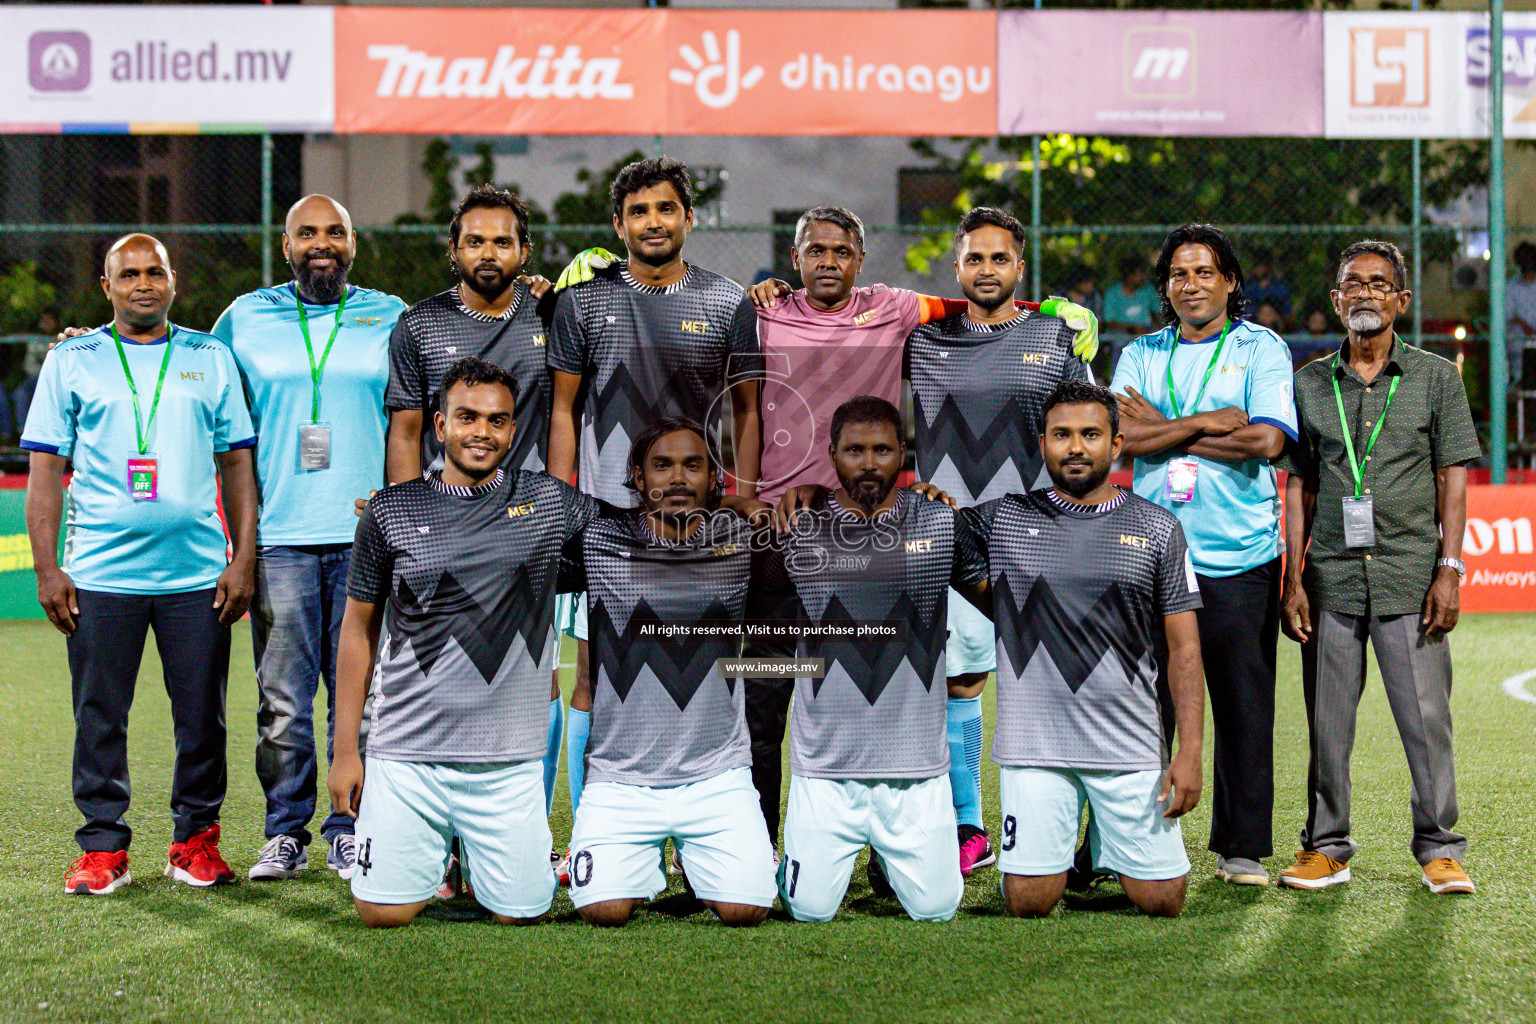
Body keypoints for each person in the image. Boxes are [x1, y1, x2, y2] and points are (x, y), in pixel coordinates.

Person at [746, 205, 1098, 870]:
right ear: (794, 259)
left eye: (840, 251)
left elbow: (978, 303)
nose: (827, 261)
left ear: (860, 259)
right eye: (813, 250)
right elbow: (738, 404)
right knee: (767, 688)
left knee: (890, 687)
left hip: (885, 534)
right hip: (785, 525)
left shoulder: (898, 311)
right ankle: (761, 844)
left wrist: (1051, 310)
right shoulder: (761, 312)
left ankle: (919, 843)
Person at [328, 358, 611, 927]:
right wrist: (345, 752)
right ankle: (440, 857)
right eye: (467, 417)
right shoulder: (390, 510)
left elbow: (636, 538)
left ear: (514, 430)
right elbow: (357, 630)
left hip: (508, 763)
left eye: (497, 421)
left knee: (522, 915)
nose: (482, 432)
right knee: (382, 915)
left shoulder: (552, 506)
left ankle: (478, 863)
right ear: (439, 425)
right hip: (407, 756)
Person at [24, 234, 258, 895]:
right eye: (128, 274)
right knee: (99, 714)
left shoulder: (209, 357)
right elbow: (44, 472)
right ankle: (103, 848)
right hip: (100, 575)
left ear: (173, 281)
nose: (143, 283)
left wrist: (244, 558)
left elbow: (237, 463)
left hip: (196, 576)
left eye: (154, 271)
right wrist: (48, 568)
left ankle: (194, 843)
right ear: (107, 287)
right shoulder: (73, 359)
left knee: (202, 718)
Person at [546, 157, 763, 839]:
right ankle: (593, 832)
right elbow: (562, 409)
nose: (652, 223)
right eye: (638, 212)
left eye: (665, 209)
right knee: (592, 679)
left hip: (699, 525)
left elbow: (748, 411)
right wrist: (560, 503)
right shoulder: (584, 303)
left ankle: (706, 827)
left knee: (707, 670)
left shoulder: (728, 302)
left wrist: (747, 496)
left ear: (689, 219)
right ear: (618, 224)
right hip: (609, 519)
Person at [211, 194, 407, 881]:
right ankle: (284, 832)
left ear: (354, 243)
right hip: (281, 537)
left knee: (364, 695)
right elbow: (193, 387)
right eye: (307, 234)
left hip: (367, 538)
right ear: (286, 244)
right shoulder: (243, 318)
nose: (321, 244)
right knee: (285, 699)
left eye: (335, 233)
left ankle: (350, 827)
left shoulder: (390, 315)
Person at [1278, 240, 1481, 895]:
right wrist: (1293, 579)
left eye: (1378, 284)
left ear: (1401, 300)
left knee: (1426, 723)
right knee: (1327, 725)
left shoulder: (1436, 378)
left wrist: (1449, 569)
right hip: (1331, 580)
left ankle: (1439, 848)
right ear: (1336, 301)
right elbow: (1297, 488)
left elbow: (1453, 476)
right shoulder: (1308, 384)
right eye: (1352, 285)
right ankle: (1326, 847)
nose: (1365, 294)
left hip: (1410, 580)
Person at [965, 380, 1204, 918]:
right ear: (1043, 444)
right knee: (1030, 902)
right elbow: (941, 543)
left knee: (1163, 901)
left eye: (1091, 435)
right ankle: (1069, 851)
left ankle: (1098, 846)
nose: (1076, 447)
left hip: (1128, 745)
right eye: (1062, 435)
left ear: (1116, 445)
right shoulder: (1003, 517)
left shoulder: (1158, 526)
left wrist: (1189, 751)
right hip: (1035, 748)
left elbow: (1184, 649)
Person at [1109, 223, 1296, 888]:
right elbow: (1119, 439)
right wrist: (1205, 421)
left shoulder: (1261, 348)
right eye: (1179, 274)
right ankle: (1133, 840)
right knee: (1142, 706)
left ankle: (1240, 848)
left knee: (1243, 704)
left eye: (1204, 272)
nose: (1191, 285)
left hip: (1239, 555)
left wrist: (1163, 430)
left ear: (1230, 282)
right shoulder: (1139, 353)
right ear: (1166, 287)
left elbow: (1268, 441)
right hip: (1151, 556)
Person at [905, 207, 1091, 875]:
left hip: (1035, 537)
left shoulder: (1057, 336)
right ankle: (969, 828)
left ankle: (1060, 836)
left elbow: (1086, 433)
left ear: (1020, 267)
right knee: (960, 683)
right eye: (975, 258)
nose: (988, 269)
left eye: (1000, 258)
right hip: (948, 544)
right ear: (957, 269)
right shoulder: (923, 341)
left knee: (1048, 684)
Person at [382, 184, 567, 830]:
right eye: (475, 240)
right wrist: (408, 527)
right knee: (437, 678)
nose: (489, 252)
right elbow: (405, 432)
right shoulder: (419, 326)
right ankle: (440, 845)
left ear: (524, 250)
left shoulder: (552, 317)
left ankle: (528, 829)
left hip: (524, 532)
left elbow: (568, 416)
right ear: (453, 249)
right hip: (442, 532)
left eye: (503, 240)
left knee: (533, 679)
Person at [768, 396, 988, 923]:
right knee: (809, 909)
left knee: (938, 907)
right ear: (832, 454)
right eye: (855, 450)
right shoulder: (799, 526)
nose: (869, 463)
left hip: (915, 770)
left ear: (903, 454)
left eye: (883, 450)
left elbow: (1004, 604)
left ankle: (894, 861)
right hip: (826, 772)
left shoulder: (940, 524)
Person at [562, 418, 775, 927]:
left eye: (692, 465)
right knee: (603, 911)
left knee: (746, 910)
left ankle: (702, 862)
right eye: (662, 465)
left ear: (714, 479)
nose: (677, 477)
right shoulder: (598, 539)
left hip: (718, 774)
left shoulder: (743, 542)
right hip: (622, 779)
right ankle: (641, 868)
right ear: (637, 477)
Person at [1100, 255, 1158, 339]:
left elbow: (1158, 314)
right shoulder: (1112, 293)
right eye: (1141, 274)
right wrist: (1132, 328)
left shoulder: (1148, 290)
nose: (1144, 277)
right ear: (1129, 275)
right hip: (1120, 334)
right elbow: (1109, 323)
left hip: (1146, 331)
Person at [1504, 241, 1536, 385]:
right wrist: (1528, 329)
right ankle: (1517, 379)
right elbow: (1509, 316)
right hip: (1522, 333)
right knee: (1515, 336)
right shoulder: (1511, 286)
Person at [1246, 253, 1292, 332]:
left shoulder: (1278, 286)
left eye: (1263, 266)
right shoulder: (1249, 286)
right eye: (1257, 266)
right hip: (1253, 321)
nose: (1260, 269)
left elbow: (1286, 310)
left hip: (1276, 322)